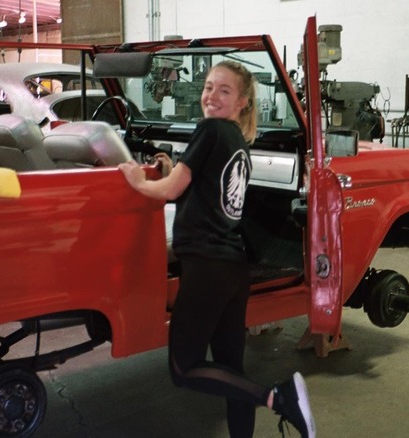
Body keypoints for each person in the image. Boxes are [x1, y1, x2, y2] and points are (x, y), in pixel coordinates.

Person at [118, 60, 315, 438]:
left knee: (185, 368)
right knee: (230, 369)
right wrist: (172, 164)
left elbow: (170, 191)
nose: (211, 96)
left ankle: (279, 398)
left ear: (242, 101)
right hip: (231, 268)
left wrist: (135, 180)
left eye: (224, 91)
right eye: (209, 87)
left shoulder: (209, 130)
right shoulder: (236, 139)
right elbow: (204, 186)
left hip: (206, 267)